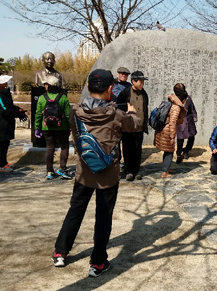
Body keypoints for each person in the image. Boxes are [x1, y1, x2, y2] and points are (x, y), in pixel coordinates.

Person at [52, 69, 140, 277]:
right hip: (108, 175)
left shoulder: (75, 112)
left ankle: (60, 252)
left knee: (75, 210)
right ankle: (98, 262)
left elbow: (75, 137)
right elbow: (135, 125)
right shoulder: (116, 115)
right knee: (103, 216)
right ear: (110, 89)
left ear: (89, 88)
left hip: (84, 171)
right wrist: (132, 111)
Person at [0, 72, 28, 172]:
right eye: (4, 81)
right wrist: (18, 114)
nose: (6, 83)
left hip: (6, 123)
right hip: (0, 124)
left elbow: (9, 106)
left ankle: (4, 162)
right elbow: (4, 110)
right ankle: (1, 165)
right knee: (2, 145)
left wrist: (19, 110)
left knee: (5, 144)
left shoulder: (3, 93)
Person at [34, 76, 71, 180]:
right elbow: (68, 114)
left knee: (50, 148)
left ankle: (49, 171)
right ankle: (62, 168)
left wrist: (37, 128)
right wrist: (70, 127)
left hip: (47, 128)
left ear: (48, 85)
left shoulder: (42, 98)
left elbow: (38, 114)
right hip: (62, 127)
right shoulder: (63, 97)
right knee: (64, 146)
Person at [116, 70, 149, 181]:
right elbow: (119, 109)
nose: (142, 84)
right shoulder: (125, 93)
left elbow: (145, 109)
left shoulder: (144, 94)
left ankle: (136, 170)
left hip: (139, 127)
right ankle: (129, 171)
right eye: (141, 81)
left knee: (137, 150)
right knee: (128, 149)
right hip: (128, 128)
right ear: (134, 81)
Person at [154, 87, 186, 178]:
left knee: (167, 150)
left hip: (163, 129)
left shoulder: (171, 103)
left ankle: (166, 168)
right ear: (183, 100)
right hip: (168, 131)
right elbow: (173, 122)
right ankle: (164, 172)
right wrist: (172, 136)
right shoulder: (176, 107)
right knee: (170, 151)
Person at [175, 83, 198, 164]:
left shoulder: (188, 98)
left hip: (189, 120)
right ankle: (178, 154)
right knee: (180, 138)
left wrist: (195, 116)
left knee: (192, 136)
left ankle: (187, 150)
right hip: (180, 121)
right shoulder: (174, 99)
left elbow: (192, 108)